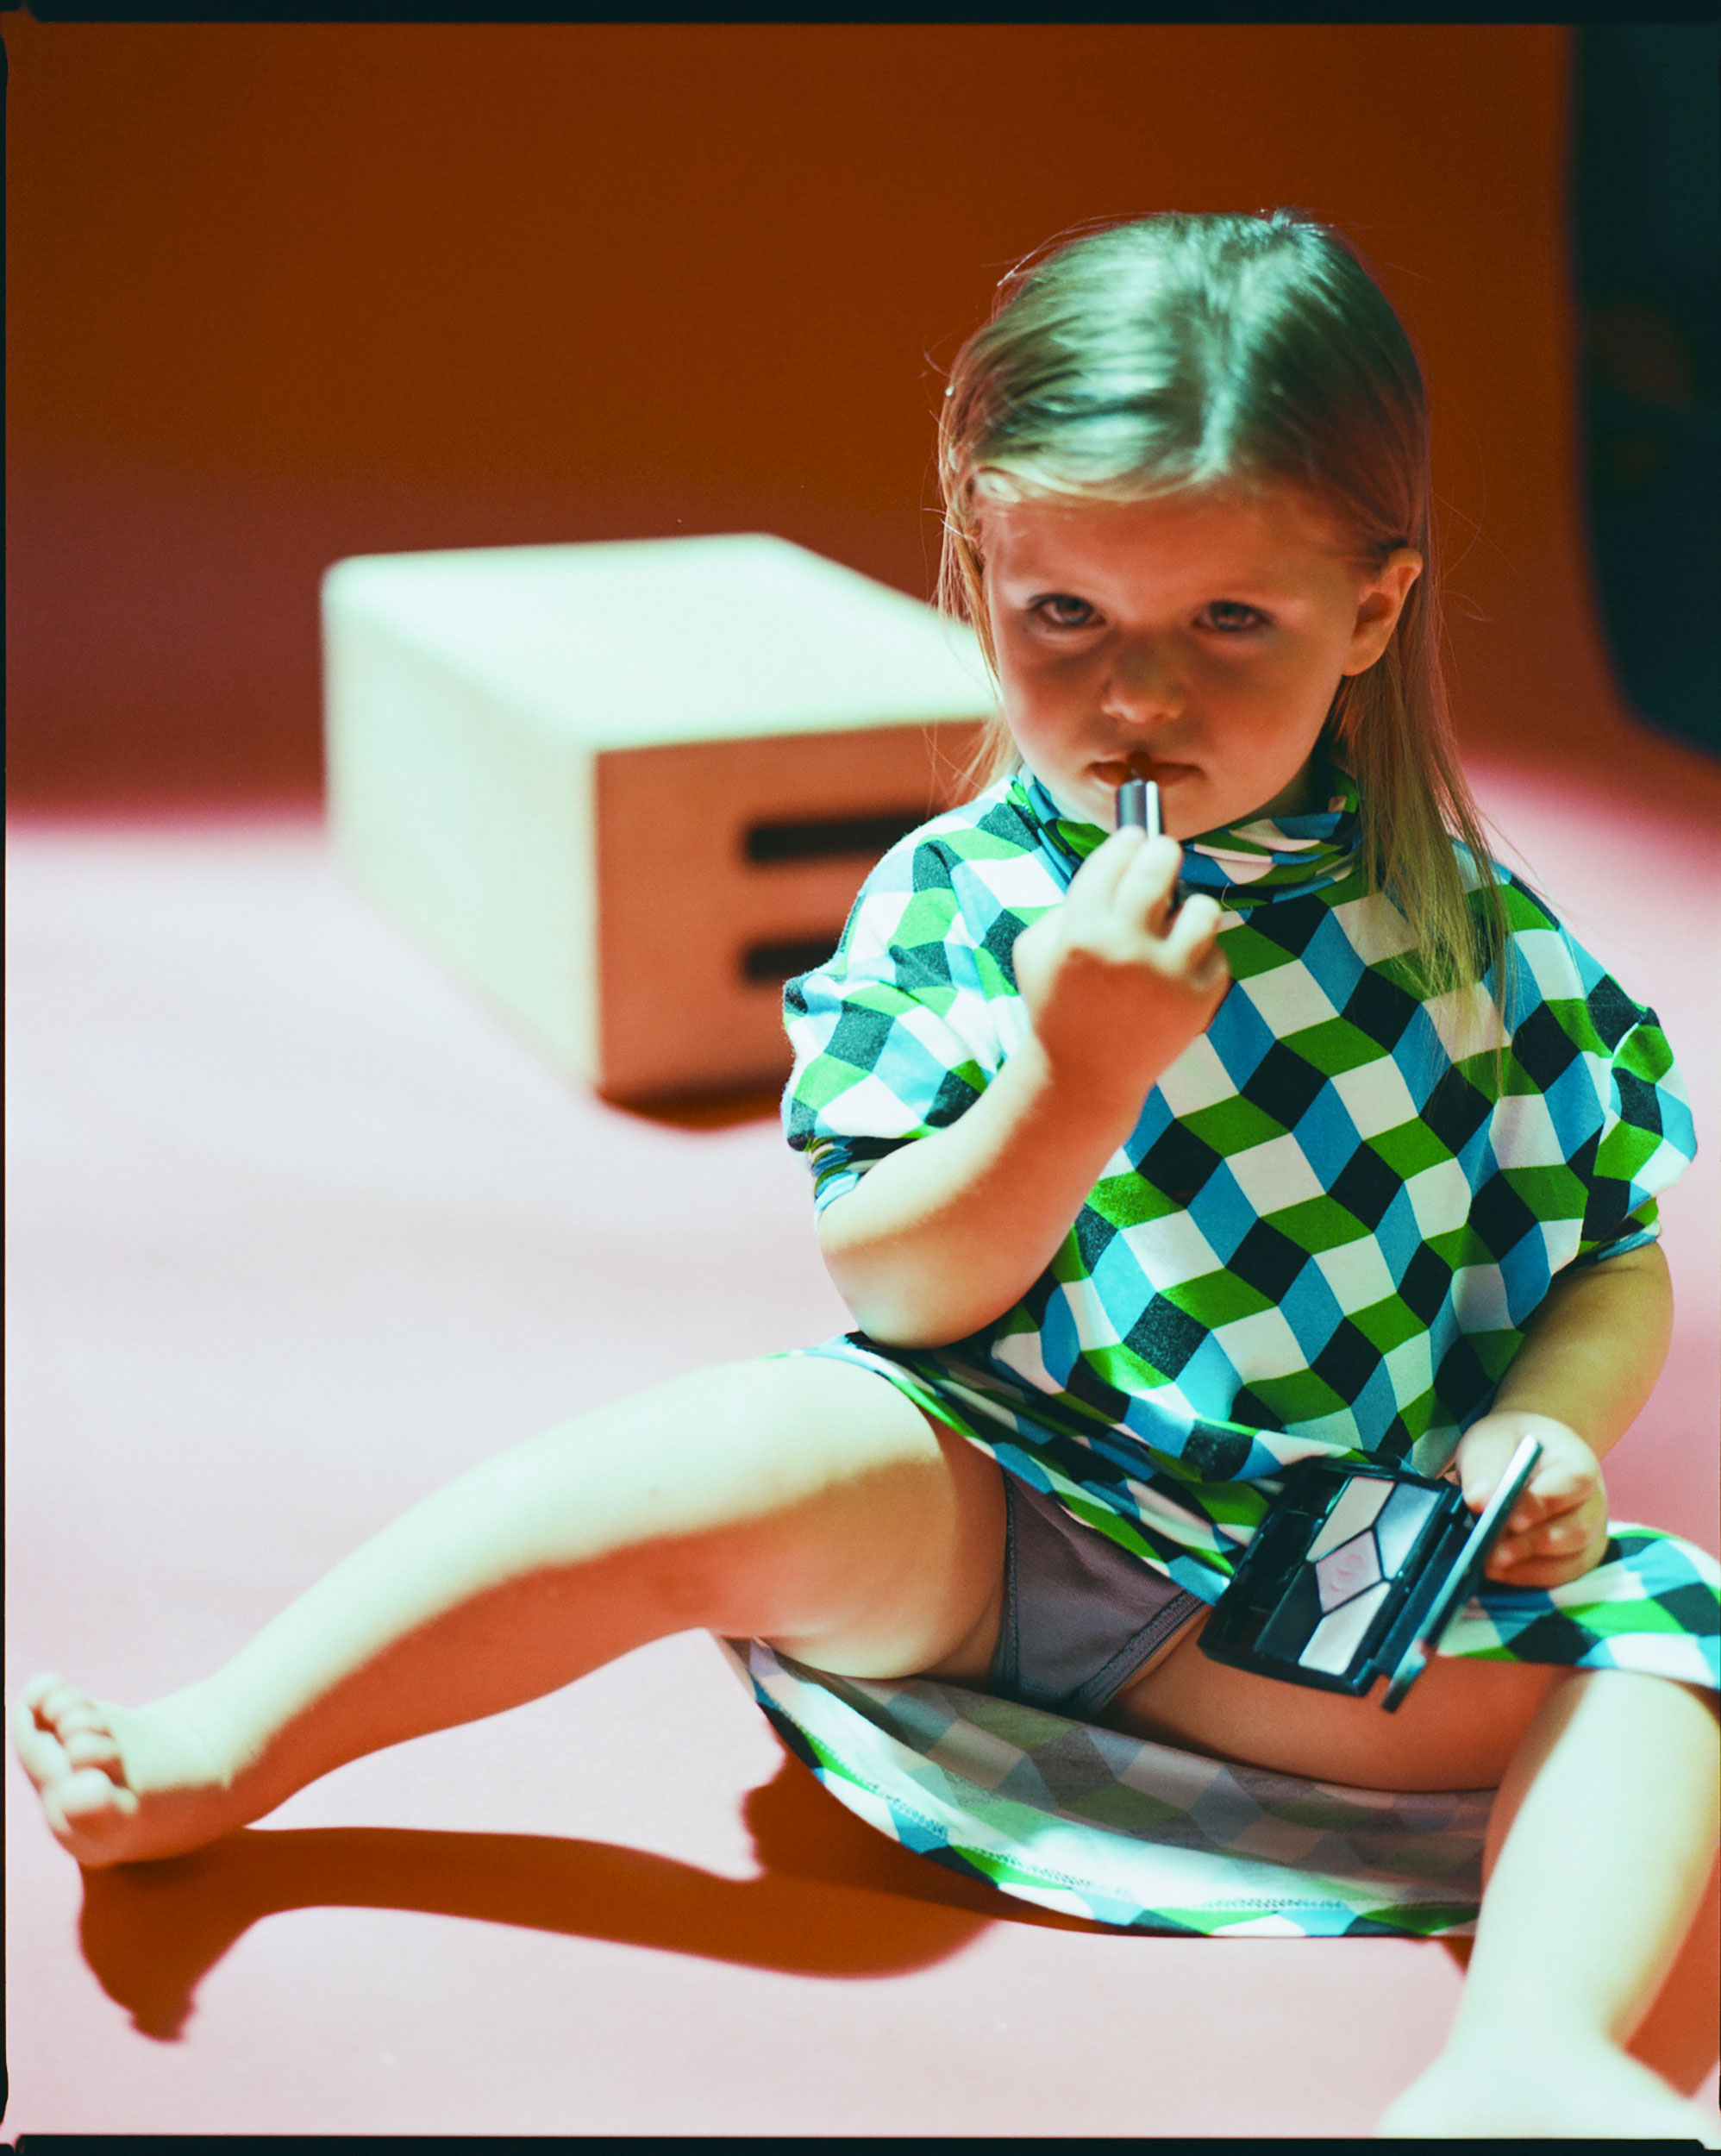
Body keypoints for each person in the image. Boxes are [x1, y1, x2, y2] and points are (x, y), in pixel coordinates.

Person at [15, 210, 1718, 2140]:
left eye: (1227, 625)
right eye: (1062, 617)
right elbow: (900, 1289)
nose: (1136, 698)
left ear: (1374, 610)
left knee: (1670, 1637)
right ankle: (230, 1740)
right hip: (980, 1504)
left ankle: (1526, 2054)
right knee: (728, 1443)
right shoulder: (957, 898)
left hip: (1301, 1583)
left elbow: (1606, 1253)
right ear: (981, 574)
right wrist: (1070, 1076)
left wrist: (1544, 1428)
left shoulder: (1466, 940)